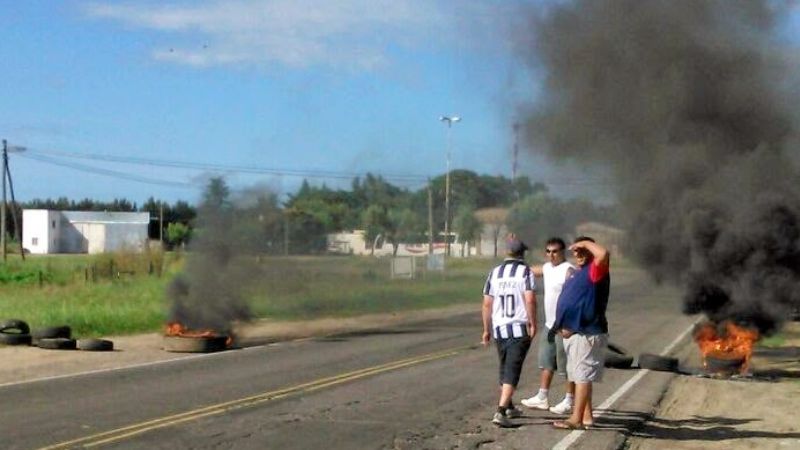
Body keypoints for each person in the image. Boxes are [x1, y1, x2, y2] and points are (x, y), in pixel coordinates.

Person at [551, 236, 610, 430]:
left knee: (582, 377)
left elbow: (603, 254)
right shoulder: (579, 272)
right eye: (575, 251)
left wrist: (584, 243)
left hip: (587, 332)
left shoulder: (596, 270)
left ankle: (575, 419)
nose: (578, 254)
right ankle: (586, 417)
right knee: (579, 376)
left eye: (582, 251)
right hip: (575, 333)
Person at [482, 238, 537, 427]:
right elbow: (529, 299)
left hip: (500, 327)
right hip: (518, 326)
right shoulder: (525, 272)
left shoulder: (495, 273)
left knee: (505, 366)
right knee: (513, 369)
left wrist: (486, 329)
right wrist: (532, 322)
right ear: (522, 254)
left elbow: (487, 303)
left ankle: (510, 406)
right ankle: (501, 411)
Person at [521, 237, 576, 415]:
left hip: (565, 324)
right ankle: (542, 396)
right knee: (546, 362)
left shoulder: (568, 270)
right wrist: (517, 252)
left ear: (563, 252)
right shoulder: (547, 268)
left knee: (567, 365)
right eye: (548, 251)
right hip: (550, 323)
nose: (551, 255)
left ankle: (569, 399)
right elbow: (527, 270)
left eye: (555, 251)